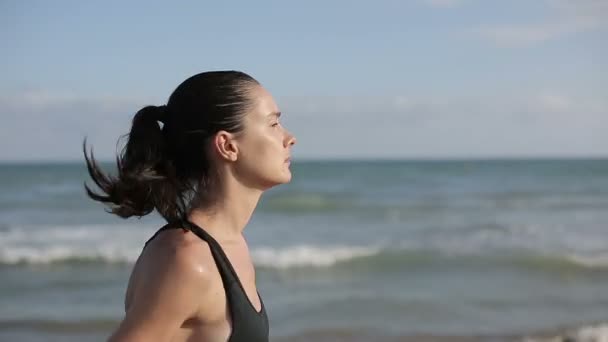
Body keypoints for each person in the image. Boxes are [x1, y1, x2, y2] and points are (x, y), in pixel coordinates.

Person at [83, 70, 296, 342]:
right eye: (273, 124)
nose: (289, 138)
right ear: (228, 146)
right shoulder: (187, 259)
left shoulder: (230, 244)